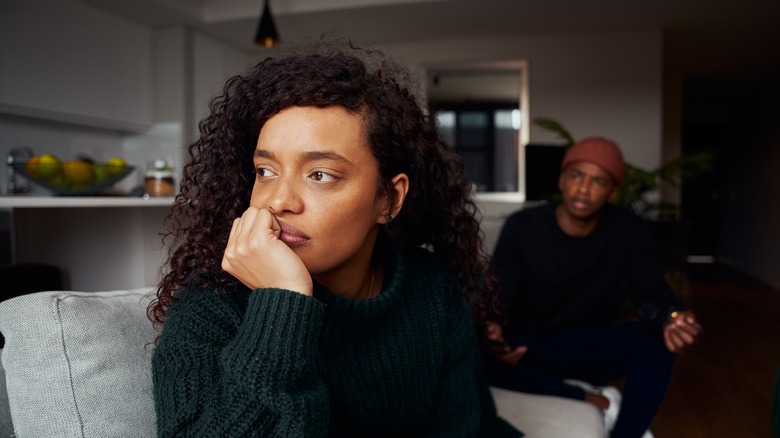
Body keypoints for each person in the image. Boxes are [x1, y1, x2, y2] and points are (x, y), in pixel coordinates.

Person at [147, 40, 520, 437]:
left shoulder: (431, 289)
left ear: (389, 199)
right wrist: (281, 305)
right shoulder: (210, 302)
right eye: (265, 171)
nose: (278, 201)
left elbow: (463, 426)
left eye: (320, 175)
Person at [484, 137, 702, 438]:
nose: (584, 189)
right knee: (473, 348)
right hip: (529, 347)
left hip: (589, 346)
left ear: (612, 193)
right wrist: (492, 332)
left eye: (598, 181)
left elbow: (651, 292)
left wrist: (672, 318)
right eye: (576, 175)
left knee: (655, 341)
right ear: (562, 180)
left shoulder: (627, 229)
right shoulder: (524, 227)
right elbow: (498, 295)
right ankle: (582, 396)